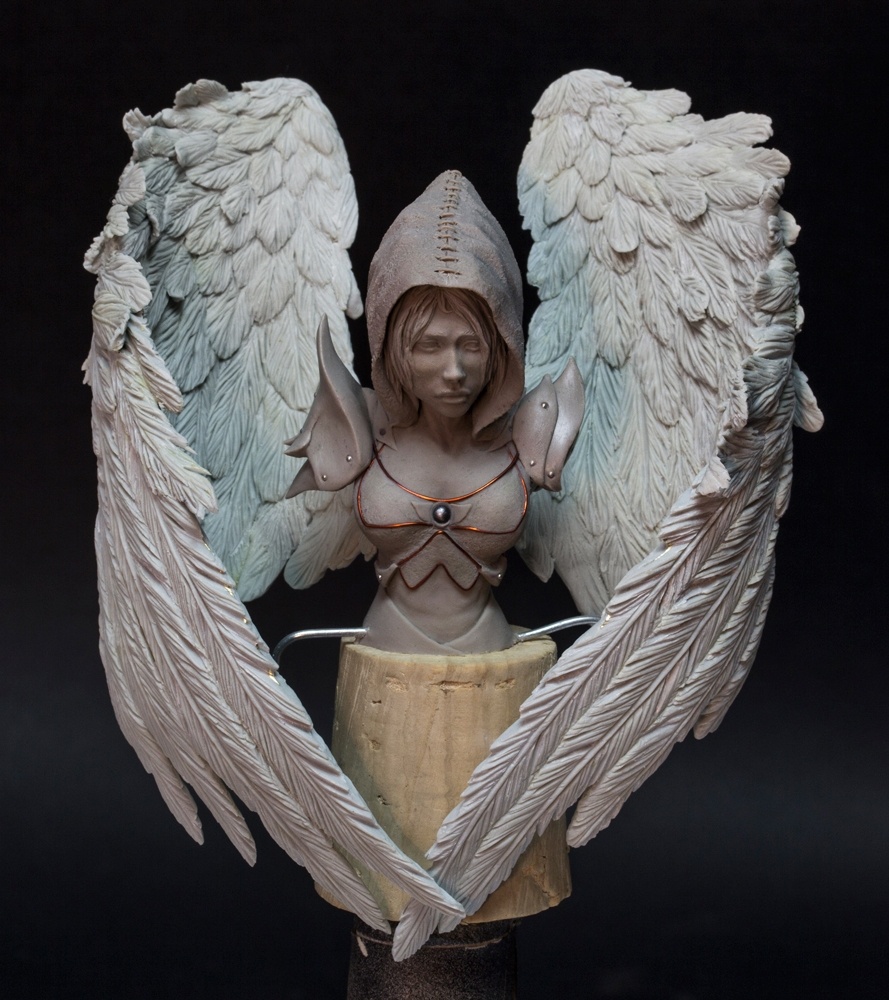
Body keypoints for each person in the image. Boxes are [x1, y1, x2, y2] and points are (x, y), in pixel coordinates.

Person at [288, 170, 582, 654]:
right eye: (430, 346)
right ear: (394, 349)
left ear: (501, 347)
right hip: (385, 651)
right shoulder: (359, 426)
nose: (454, 371)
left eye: (472, 345)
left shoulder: (534, 434)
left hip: (491, 655)